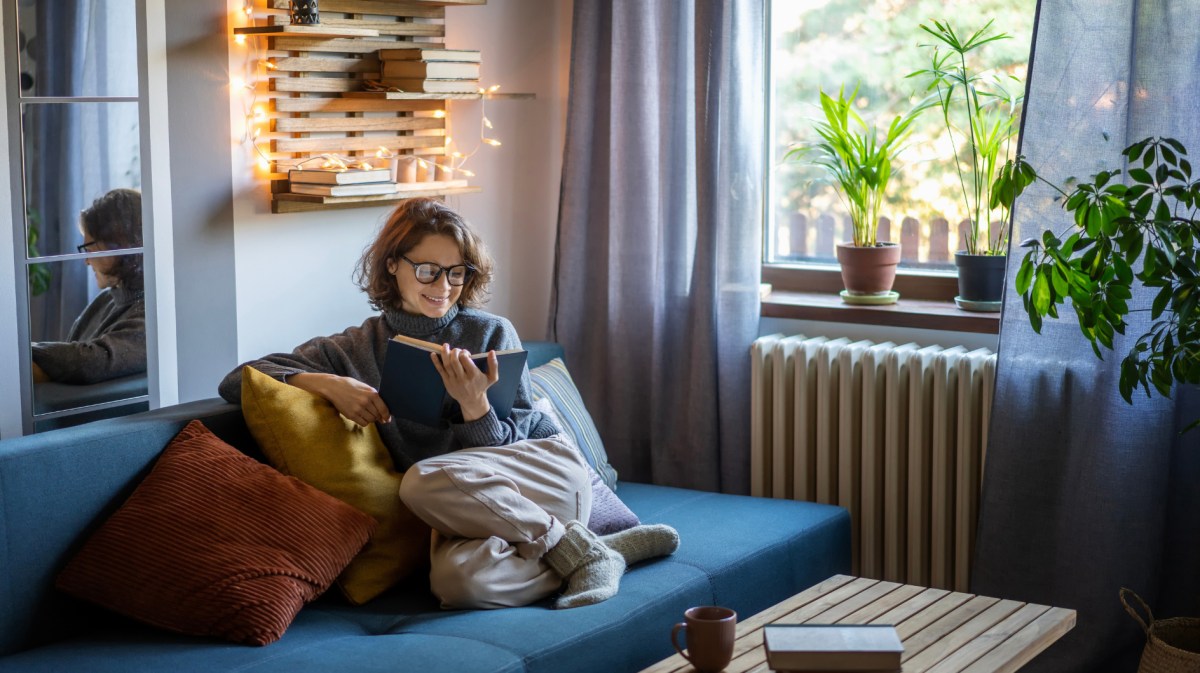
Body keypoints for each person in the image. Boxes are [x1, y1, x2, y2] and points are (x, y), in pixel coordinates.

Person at [218, 198, 678, 610]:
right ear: (393, 265)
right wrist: (324, 383)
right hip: (470, 512)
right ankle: (599, 553)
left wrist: (476, 409)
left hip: (543, 479)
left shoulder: (491, 333)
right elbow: (238, 380)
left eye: (457, 272)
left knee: (419, 481)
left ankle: (580, 549)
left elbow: (526, 435)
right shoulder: (355, 349)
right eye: (428, 271)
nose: (444, 286)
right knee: (458, 585)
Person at [32, 188, 146, 385]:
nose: (86, 261)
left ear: (118, 245)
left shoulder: (151, 310)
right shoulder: (106, 300)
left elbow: (92, 361)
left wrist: (22, 351)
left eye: (89, 248)